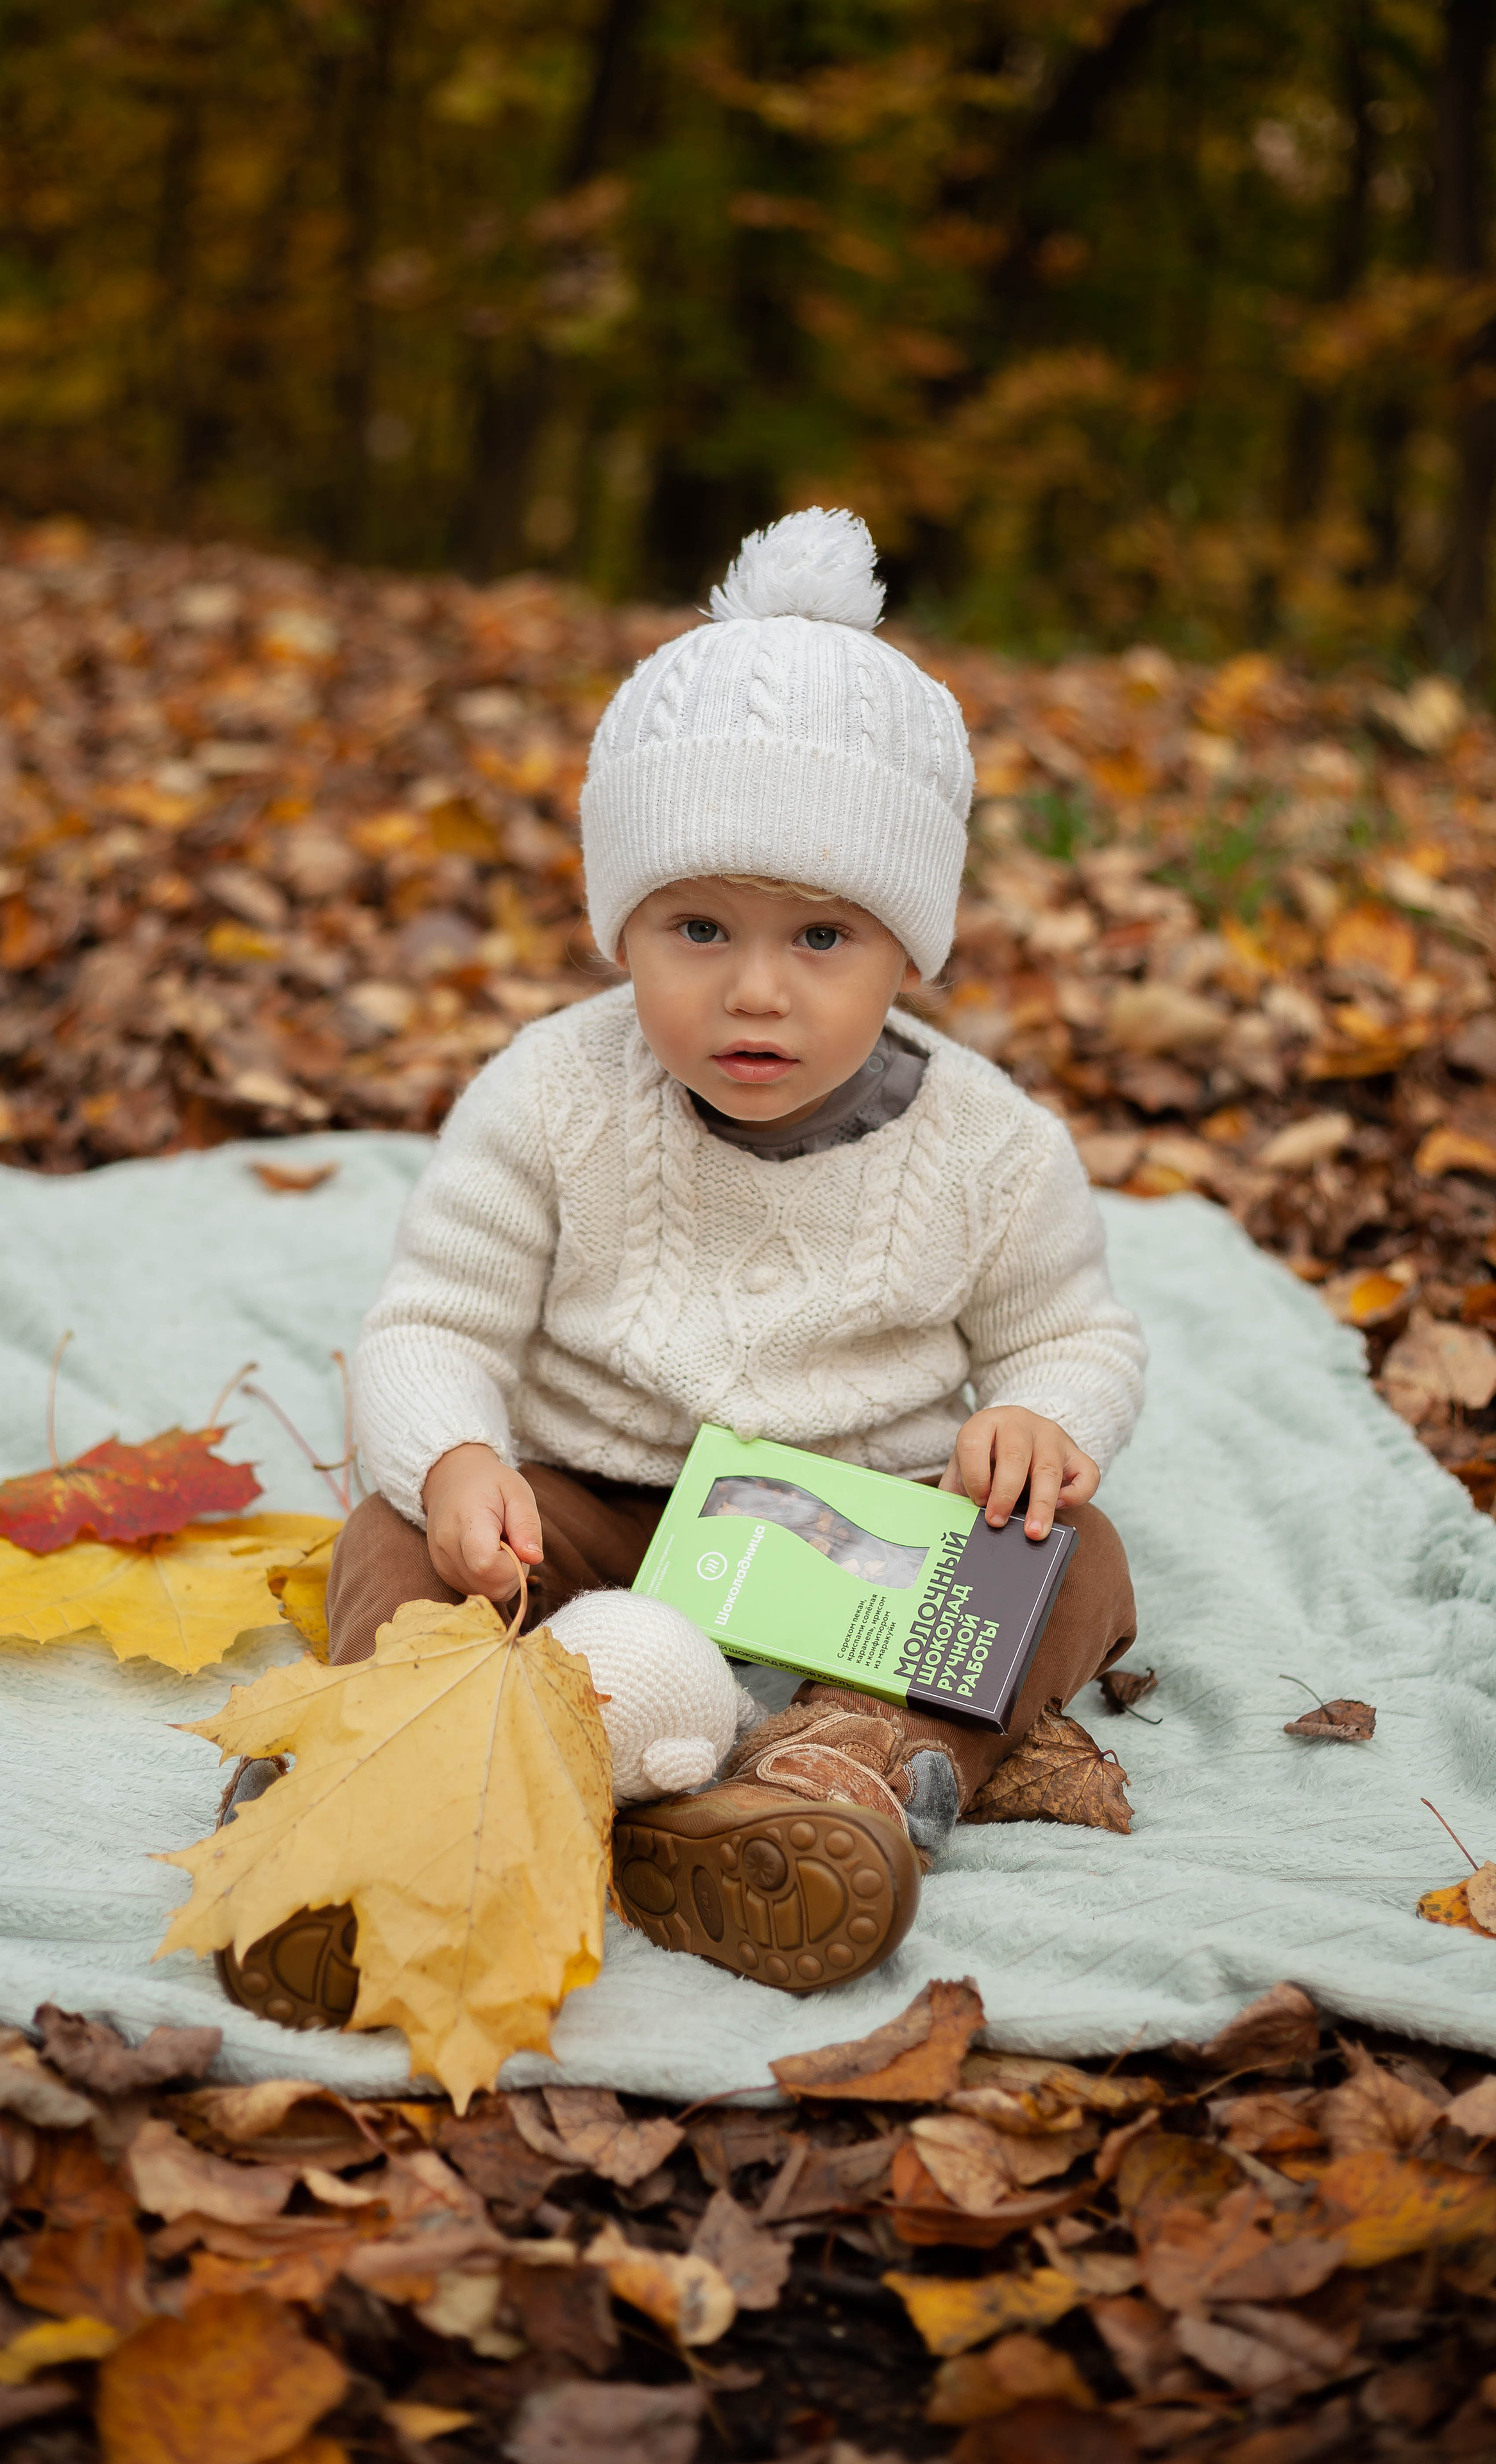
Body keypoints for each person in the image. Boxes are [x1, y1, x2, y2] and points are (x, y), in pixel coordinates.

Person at [219, 507, 1144, 2028]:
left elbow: (1073, 1335)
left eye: (823, 936)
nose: (754, 990)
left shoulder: (991, 1145)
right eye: (696, 927)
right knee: (390, 1529)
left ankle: (839, 1768)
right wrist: (455, 1458)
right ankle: (401, 1750)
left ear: (907, 948)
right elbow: (432, 1317)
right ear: (621, 928)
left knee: (1064, 1554)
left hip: (851, 1539)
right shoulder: (552, 1091)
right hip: (585, 1508)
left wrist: (1044, 1418)